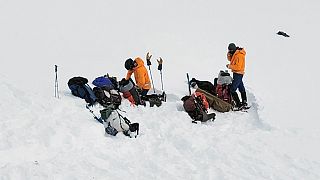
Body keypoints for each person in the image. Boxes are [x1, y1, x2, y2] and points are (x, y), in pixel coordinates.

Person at [226, 43, 248, 108]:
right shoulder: (235, 53)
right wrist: (229, 54)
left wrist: (230, 66)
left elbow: (238, 67)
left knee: (233, 89)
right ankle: (244, 102)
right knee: (241, 87)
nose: (230, 51)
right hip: (236, 73)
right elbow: (231, 60)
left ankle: (238, 104)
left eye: (230, 50)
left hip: (238, 73)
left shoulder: (239, 55)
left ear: (233, 49)